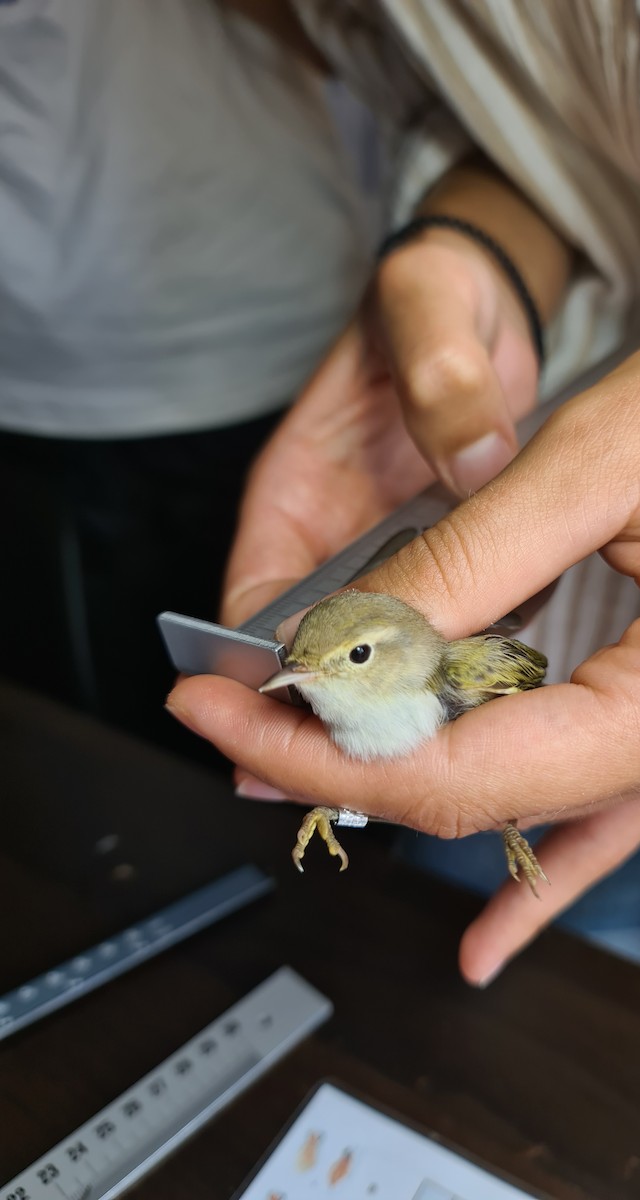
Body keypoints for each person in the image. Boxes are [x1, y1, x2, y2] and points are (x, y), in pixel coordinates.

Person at [167, 3, 640, 1069]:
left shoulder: (446, 656)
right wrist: (481, 248)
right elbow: (559, 126)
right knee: (518, 1058)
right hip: (601, 680)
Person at [0, 0, 377, 756]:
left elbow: (381, 47)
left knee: (316, 735)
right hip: (37, 363)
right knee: (90, 755)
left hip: (287, 322)